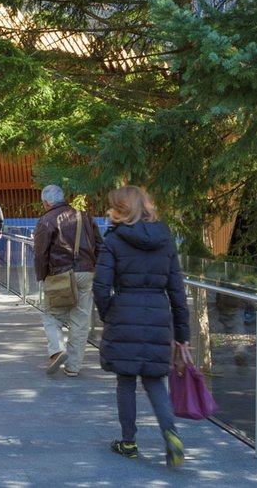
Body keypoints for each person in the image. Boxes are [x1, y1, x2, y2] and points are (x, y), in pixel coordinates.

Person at [93, 185, 190, 468]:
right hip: (159, 316)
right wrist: (182, 336)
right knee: (154, 381)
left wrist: (109, 313)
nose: (108, 212)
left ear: (123, 210)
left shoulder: (114, 240)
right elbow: (178, 293)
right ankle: (171, 435)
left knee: (125, 381)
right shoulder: (166, 238)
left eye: (111, 207)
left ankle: (129, 442)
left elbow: (101, 287)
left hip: (124, 313)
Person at [34, 185, 102, 376]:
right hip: (86, 272)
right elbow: (99, 245)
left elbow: (40, 253)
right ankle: (73, 366)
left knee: (51, 314)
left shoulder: (47, 220)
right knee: (80, 320)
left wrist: (42, 276)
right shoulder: (85, 217)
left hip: (60, 274)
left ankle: (57, 350)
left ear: (46, 202)